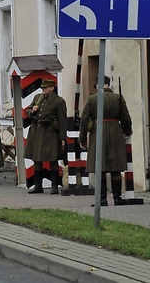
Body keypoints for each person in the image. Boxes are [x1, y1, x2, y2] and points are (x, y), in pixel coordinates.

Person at [79, 76, 133, 206]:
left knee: (100, 168)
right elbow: (126, 118)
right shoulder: (118, 98)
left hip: (98, 133)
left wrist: (82, 138)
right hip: (115, 133)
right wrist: (127, 131)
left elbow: (84, 120)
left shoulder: (92, 99)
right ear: (109, 84)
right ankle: (117, 198)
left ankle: (102, 200)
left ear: (98, 85)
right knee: (116, 168)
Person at [25, 79, 67, 194]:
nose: (43, 90)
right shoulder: (37, 98)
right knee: (36, 159)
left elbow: (63, 121)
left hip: (50, 132)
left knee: (52, 159)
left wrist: (62, 137)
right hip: (37, 132)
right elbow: (27, 112)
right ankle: (38, 185)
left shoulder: (59, 101)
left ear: (52, 88)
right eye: (42, 88)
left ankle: (54, 185)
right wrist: (31, 111)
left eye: (45, 88)